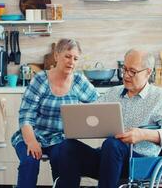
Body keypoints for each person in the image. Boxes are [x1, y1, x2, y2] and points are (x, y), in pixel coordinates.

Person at [57, 49, 162, 188]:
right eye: (124, 69)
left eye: (132, 71)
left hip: (140, 162)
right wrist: (75, 115)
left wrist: (142, 134)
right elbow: (91, 113)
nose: (126, 75)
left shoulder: (161, 98)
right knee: (66, 147)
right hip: (109, 159)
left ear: (148, 72)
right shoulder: (114, 93)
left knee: (112, 144)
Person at [11, 38, 99, 188]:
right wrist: (32, 142)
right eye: (67, 56)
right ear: (57, 56)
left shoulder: (79, 81)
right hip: (33, 134)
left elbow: (99, 104)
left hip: (59, 139)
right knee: (29, 162)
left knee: (65, 159)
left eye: (75, 58)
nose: (71, 61)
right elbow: (26, 115)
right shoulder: (40, 79)